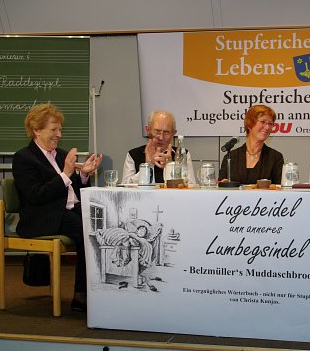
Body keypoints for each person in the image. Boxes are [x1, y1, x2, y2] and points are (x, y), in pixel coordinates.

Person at [12, 103, 103, 312]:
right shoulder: (24, 158)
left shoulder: (60, 154)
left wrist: (83, 174)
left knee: (102, 224)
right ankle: (82, 297)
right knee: (87, 231)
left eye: (60, 130)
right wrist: (65, 174)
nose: (59, 135)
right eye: (54, 129)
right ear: (37, 130)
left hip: (68, 210)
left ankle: (102, 291)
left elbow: (75, 191)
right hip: (43, 215)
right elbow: (37, 195)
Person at [122, 110, 196, 184]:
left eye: (166, 133)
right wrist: (148, 166)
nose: (161, 137)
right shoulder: (133, 154)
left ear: (173, 134)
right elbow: (125, 186)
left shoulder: (182, 154)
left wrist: (171, 167)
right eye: (157, 131)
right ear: (148, 130)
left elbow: (191, 185)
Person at [218, 104, 284, 185]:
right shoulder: (231, 157)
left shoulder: (275, 157)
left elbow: (279, 189)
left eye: (270, 124)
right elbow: (220, 187)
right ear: (250, 124)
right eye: (263, 122)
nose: (267, 127)